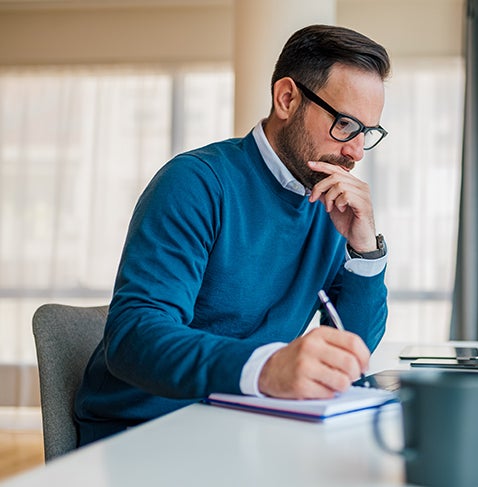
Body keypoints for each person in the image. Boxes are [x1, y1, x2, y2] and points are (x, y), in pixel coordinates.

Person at [74, 24, 391, 446]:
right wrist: (268, 368)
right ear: (287, 98)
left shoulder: (328, 202)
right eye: (346, 124)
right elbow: (133, 338)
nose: (355, 150)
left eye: (367, 133)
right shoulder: (196, 183)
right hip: (144, 431)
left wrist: (364, 249)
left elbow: (350, 350)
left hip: (242, 426)